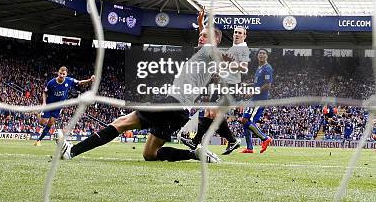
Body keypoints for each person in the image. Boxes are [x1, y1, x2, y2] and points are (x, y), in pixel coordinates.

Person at [58, 27, 224, 163]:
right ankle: (194, 154)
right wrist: (202, 24)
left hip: (171, 103)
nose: (200, 38)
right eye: (200, 35)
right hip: (179, 111)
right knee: (150, 154)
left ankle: (72, 151)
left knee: (121, 122)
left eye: (204, 36)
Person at [181, 26, 249, 155]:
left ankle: (196, 141)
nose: (237, 35)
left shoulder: (243, 49)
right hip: (223, 84)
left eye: (240, 33)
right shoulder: (234, 48)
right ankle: (229, 140)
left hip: (230, 85)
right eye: (235, 32)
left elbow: (243, 67)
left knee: (213, 113)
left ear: (244, 36)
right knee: (209, 112)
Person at [34, 66, 95, 146]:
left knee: (50, 124)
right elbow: (45, 92)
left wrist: (90, 80)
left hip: (58, 107)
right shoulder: (51, 83)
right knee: (42, 123)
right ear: (58, 73)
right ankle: (37, 115)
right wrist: (44, 103)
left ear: (66, 74)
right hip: (49, 105)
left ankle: (38, 140)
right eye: (60, 73)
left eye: (63, 74)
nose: (61, 75)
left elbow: (80, 83)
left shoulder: (69, 81)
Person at [239, 48, 273, 153]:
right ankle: (249, 148)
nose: (261, 55)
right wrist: (247, 85)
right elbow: (257, 83)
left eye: (264, 53)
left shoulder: (267, 68)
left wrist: (252, 93)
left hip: (260, 99)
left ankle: (265, 138)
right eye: (260, 53)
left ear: (267, 56)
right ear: (257, 55)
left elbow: (267, 85)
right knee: (244, 120)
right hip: (254, 98)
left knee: (246, 120)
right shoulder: (259, 68)